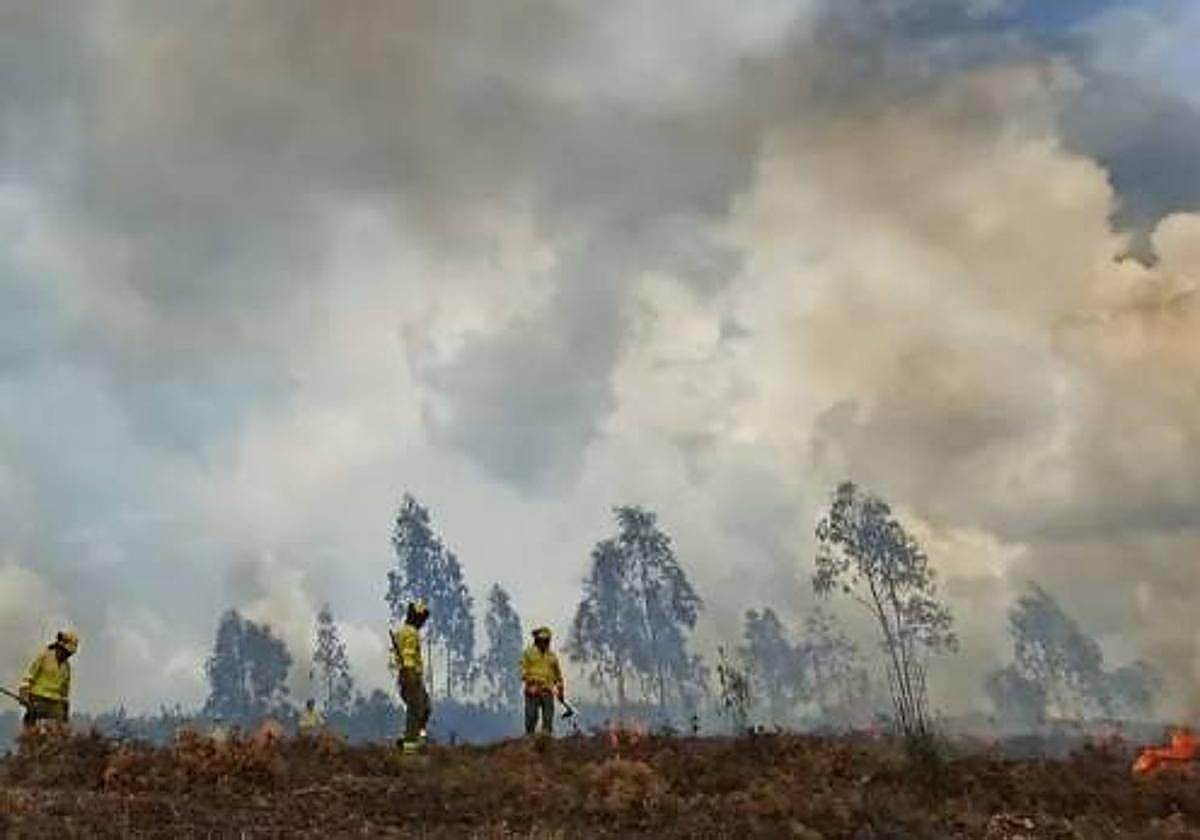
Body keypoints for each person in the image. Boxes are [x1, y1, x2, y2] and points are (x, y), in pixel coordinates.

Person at [391, 599, 430, 754]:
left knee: (425, 707)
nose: (423, 622)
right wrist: (411, 676)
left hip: (408, 677)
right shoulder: (411, 633)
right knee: (415, 712)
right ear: (416, 617)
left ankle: (409, 737)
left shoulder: (402, 632)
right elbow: (407, 656)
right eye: (422, 618)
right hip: (411, 676)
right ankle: (409, 750)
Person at [19, 630, 79, 729]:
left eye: (69, 654)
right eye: (66, 652)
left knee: (57, 732)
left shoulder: (66, 667)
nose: (67, 656)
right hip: (37, 698)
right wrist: (24, 694)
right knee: (32, 729)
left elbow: (65, 690)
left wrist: (65, 709)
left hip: (55, 703)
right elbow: (29, 676)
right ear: (60, 647)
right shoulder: (44, 656)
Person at [520, 626, 564, 737]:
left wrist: (560, 690)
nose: (545, 643)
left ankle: (546, 740)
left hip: (547, 691)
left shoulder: (552, 657)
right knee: (531, 717)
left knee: (548, 719)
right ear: (537, 641)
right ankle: (529, 738)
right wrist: (530, 684)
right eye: (542, 640)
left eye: (547, 641)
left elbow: (558, 677)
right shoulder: (528, 653)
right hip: (532, 690)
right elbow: (522, 669)